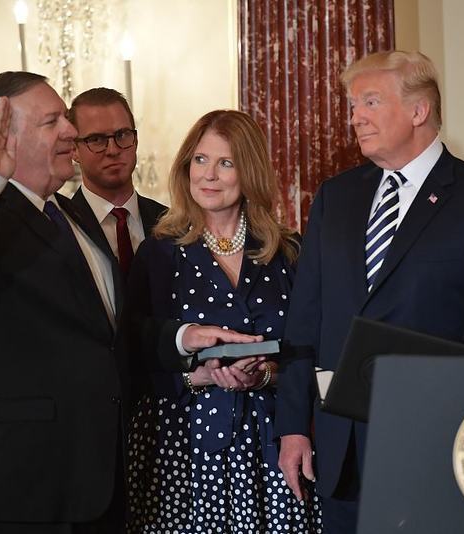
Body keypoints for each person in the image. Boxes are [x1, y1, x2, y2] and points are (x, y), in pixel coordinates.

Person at [0, 72, 258, 532]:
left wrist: (183, 338)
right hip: (18, 485)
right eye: (52, 121)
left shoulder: (70, 216)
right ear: (6, 138)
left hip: (97, 480)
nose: (71, 131)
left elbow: (106, 334)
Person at [274, 51, 464, 532]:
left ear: (418, 111)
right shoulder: (335, 197)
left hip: (435, 448)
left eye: (370, 102)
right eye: (352, 105)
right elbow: (304, 321)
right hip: (340, 453)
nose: (355, 118)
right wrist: (293, 427)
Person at [127, 110, 322, 533]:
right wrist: (198, 377)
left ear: (249, 171)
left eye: (225, 163)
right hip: (184, 450)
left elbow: (311, 349)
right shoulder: (159, 252)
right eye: (200, 160)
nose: (209, 175)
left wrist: (265, 375)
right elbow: (132, 352)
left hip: (274, 444)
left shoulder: (288, 250)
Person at [68, 88, 166, 283]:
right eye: (96, 140)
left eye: (122, 135)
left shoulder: (171, 223)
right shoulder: (63, 229)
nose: (112, 150)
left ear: (135, 140)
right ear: (74, 150)